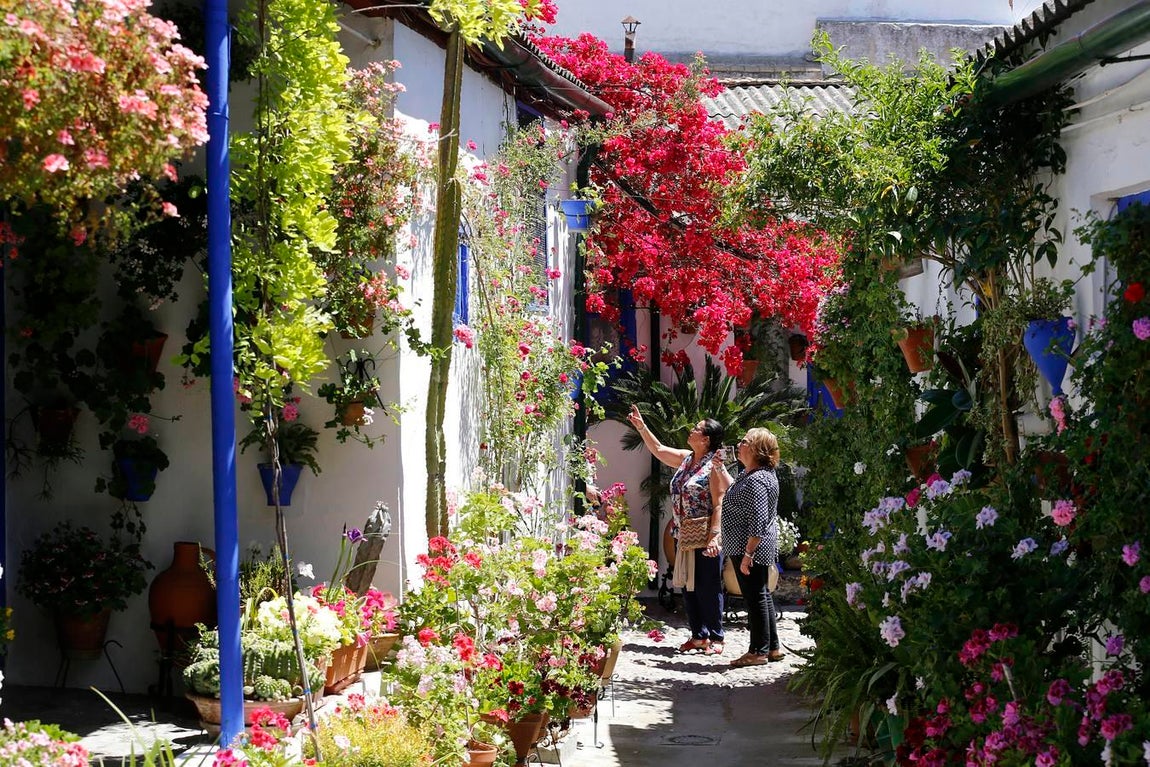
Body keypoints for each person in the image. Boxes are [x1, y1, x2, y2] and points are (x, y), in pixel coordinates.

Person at [627, 405, 731, 655]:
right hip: (684, 533)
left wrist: (714, 537)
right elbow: (658, 449)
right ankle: (698, 636)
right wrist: (642, 427)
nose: (691, 430)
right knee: (687, 583)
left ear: (706, 439)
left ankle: (716, 636)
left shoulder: (714, 466)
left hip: (705, 534)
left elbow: (719, 501)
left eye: (697, 429)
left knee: (707, 585)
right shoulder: (686, 459)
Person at [722, 427, 784, 666]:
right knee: (761, 594)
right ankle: (772, 648)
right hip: (749, 545)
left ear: (757, 449)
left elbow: (758, 520)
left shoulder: (757, 479)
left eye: (745, 442)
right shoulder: (753, 474)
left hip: (749, 546)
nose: (739, 445)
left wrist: (748, 553)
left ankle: (758, 651)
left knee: (755, 597)